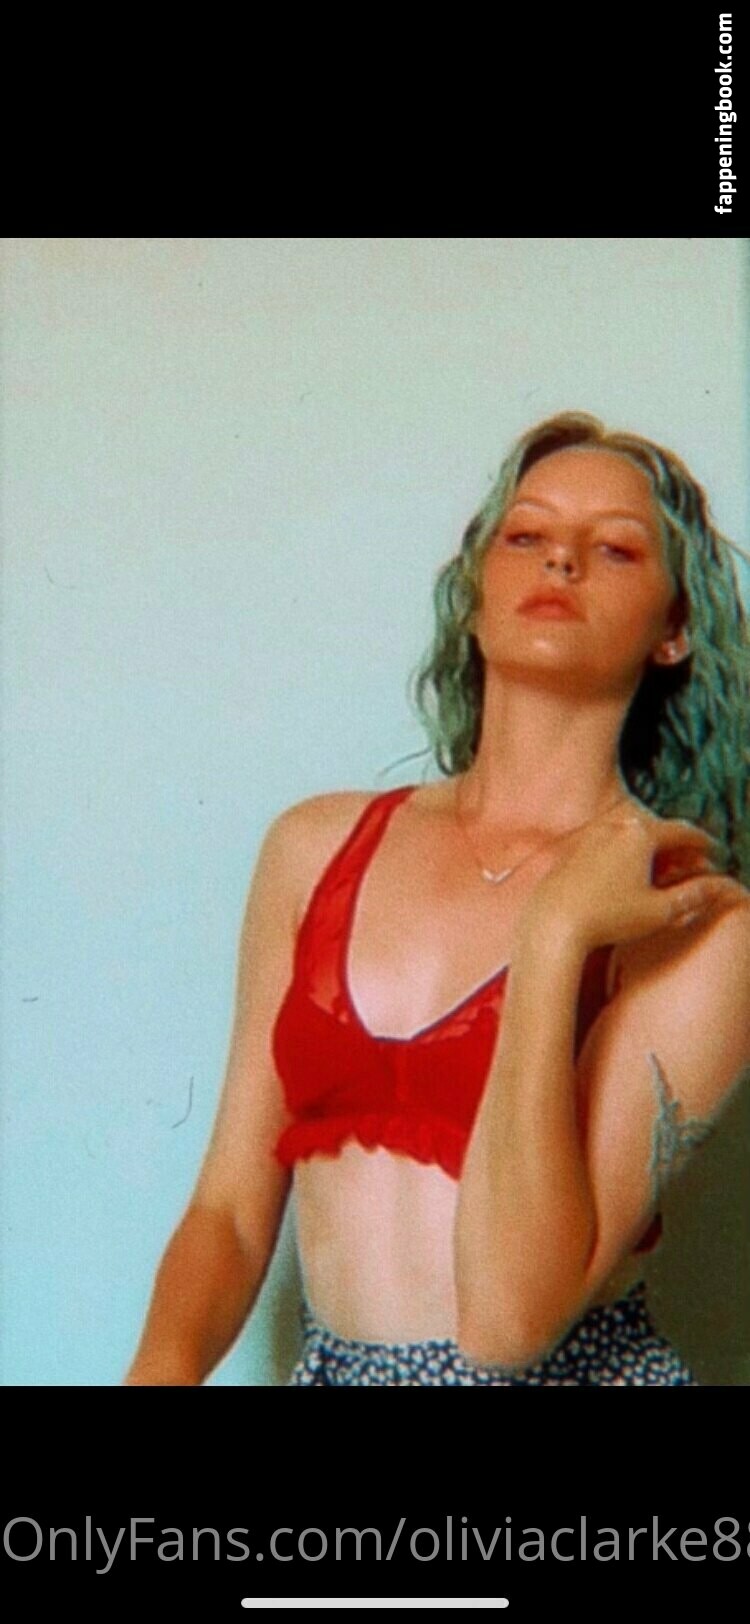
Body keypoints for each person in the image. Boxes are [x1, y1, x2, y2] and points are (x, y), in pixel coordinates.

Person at [124, 411, 750, 1387]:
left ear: (674, 629)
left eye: (616, 549)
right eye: (526, 534)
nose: (562, 561)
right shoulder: (314, 849)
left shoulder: (695, 921)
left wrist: (555, 934)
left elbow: (508, 1324)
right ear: (474, 594)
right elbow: (230, 1211)